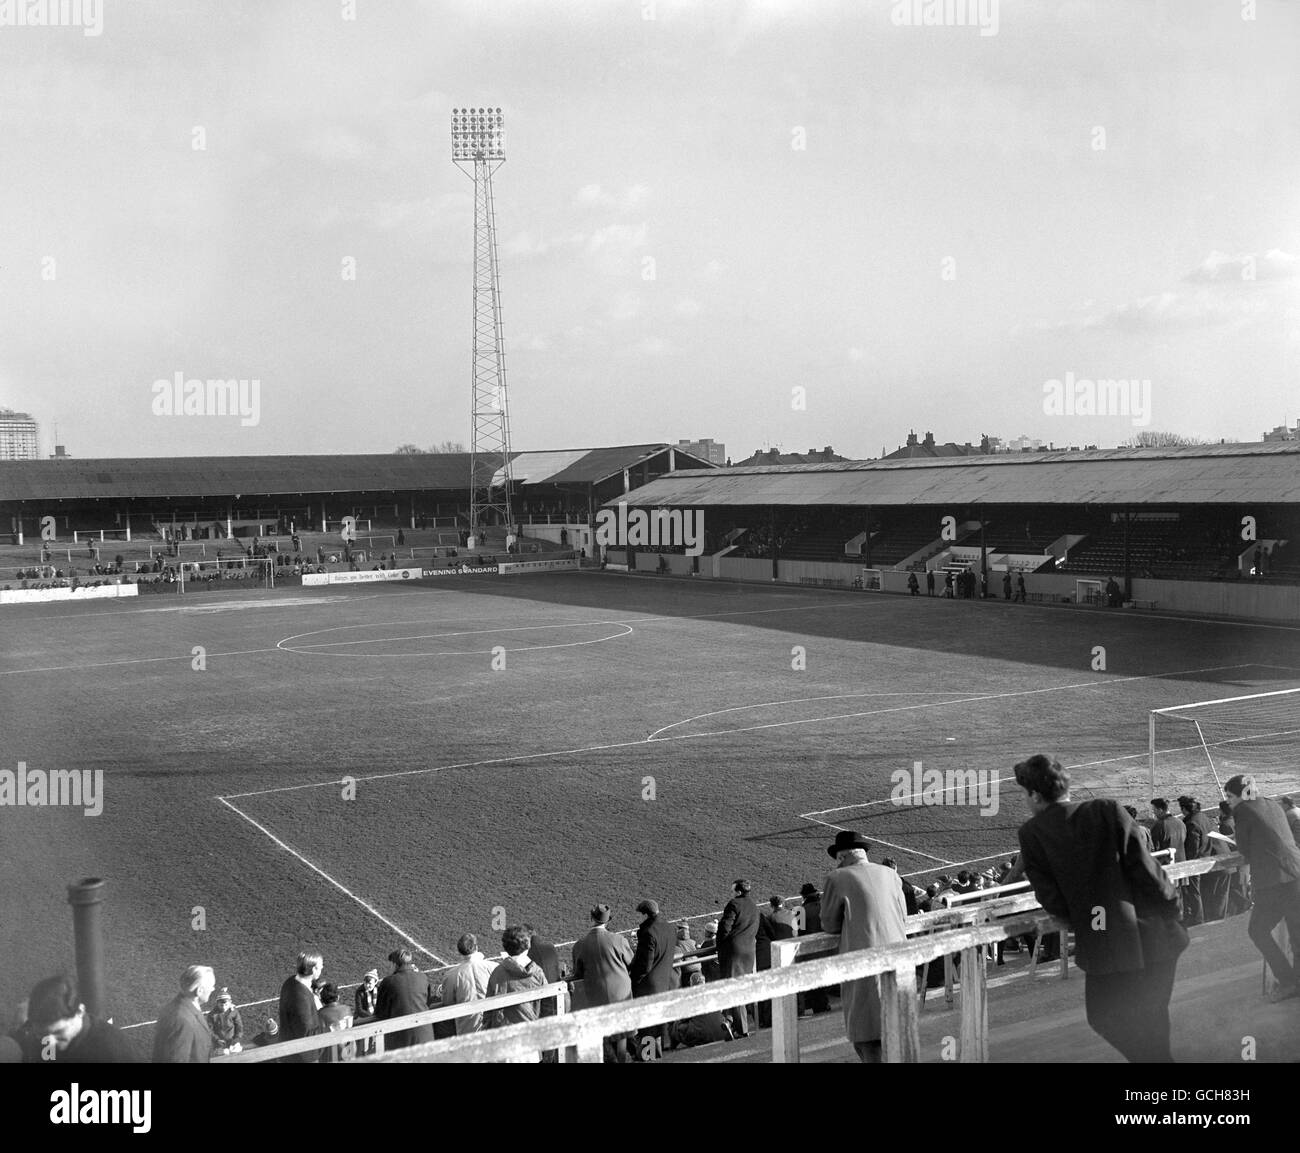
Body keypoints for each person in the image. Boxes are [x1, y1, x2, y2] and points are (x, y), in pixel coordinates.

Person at [1015, 754, 1187, 1061]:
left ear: (1035, 796)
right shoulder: (1107, 808)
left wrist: (1079, 920)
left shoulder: (1032, 833)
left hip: (1106, 944)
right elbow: (1147, 868)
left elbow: (1051, 898)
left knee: (1106, 1018)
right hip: (1159, 933)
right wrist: (1172, 907)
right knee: (1153, 1018)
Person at [820, 831, 909, 1062]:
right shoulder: (890, 874)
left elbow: (829, 924)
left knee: (866, 1036)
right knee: (896, 1027)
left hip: (862, 962)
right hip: (899, 957)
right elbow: (903, 914)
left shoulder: (837, 878)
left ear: (841, 857)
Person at [1222, 775, 1300, 1001]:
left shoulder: (1243, 810)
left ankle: (1287, 983)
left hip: (1274, 882)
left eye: (1230, 796)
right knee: (1297, 936)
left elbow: (1244, 848)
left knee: (1257, 931)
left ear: (1240, 795)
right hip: (1295, 873)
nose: (1229, 801)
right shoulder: (1273, 803)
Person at [12, 975, 137, 1063]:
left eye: (58, 1033)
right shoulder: (44, 1032)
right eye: (42, 1034)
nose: (50, 1042)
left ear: (80, 1012)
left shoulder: (112, 1054)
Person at [571, 903, 635, 1063]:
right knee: (621, 1035)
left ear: (591, 918)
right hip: (621, 993)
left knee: (602, 1037)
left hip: (596, 995)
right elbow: (631, 963)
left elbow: (577, 973)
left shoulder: (580, 944)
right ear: (608, 921)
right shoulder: (619, 939)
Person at [629, 898, 677, 1059]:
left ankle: (647, 1057)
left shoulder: (648, 932)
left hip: (648, 986)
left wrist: (633, 980)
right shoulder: (669, 927)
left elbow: (645, 965)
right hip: (664, 981)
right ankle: (655, 1054)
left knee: (647, 1026)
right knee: (656, 1026)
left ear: (645, 915)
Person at [484, 926, 548, 1046]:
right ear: (528, 945)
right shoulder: (537, 972)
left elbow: (488, 1010)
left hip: (504, 1039)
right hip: (531, 1036)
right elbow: (548, 1004)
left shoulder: (498, 972)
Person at [716, 879, 759, 1038]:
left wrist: (720, 945)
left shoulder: (734, 904)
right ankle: (731, 1020)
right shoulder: (754, 906)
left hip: (734, 951)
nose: (732, 893)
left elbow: (725, 927)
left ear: (739, 891)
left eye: (733, 890)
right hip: (749, 951)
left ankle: (740, 1027)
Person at [375, 948, 437, 1049]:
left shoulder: (388, 982)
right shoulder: (423, 977)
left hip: (401, 1039)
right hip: (425, 1034)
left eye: (389, 964)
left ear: (394, 964)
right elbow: (427, 1003)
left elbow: (380, 1013)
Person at [153, 964, 217, 1063]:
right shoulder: (181, 1019)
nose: (213, 989)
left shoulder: (184, 1008)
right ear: (199, 991)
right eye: (211, 987)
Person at [438, 934, 497, 1035]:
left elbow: (448, 1004)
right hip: (493, 1025)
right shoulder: (493, 967)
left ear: (459, 950)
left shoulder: (451, 975)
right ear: (476, 947)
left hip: (466, 1029)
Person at [278, 951, 326, 1063]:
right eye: (320, 966)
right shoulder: (301, 998)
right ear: (313, 969)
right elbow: (306, 1033)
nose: (322, 968)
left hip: (288, 1050)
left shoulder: (290, 982)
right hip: (302, 1057)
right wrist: (327, 1024)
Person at [668, 972, 734, 1049]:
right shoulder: (714, 993)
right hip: (721, 1031)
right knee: (725, 1017)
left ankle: (673, 1046)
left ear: (691, 984)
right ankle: (728, 1028)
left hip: (701, 1034)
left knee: (674, 1025)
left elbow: (682, 1018)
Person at [1178, 795, 1214, 925]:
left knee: (1194, 892)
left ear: (1184, 809)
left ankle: (1198, 919)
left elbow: (1192, 847)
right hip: (1207, 857)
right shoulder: (1203, 817)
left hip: (1196, 862)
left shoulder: (1191, 822)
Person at [317, 983, 354, 1062]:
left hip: (331, 1055)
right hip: (349, 1051)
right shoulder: (347, 1009)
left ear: (322, 1000)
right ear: (338, 997)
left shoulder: (321, 1014)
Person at [206, 987, 243, 1055]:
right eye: (221, 1005)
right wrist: (217, 1040)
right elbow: (209, 1030)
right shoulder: (211, 1015)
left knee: (236, 1052)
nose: (223, 1007)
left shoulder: (234, 1012)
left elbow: (239, 1027)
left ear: (230, 1002)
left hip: (233, 1041)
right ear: (217, 1003)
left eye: (226, 1005)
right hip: (219, 1044)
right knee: (224, 1053)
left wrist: (237, 1038)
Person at [1149, 798, 1186, 863]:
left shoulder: (1159, 825)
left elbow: (1154, 847)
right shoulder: (1181, 823)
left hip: (1166, 864)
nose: (1154, 813)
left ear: (1160, 810)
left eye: (1154, 810)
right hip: (1181, 862)